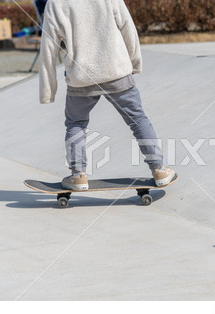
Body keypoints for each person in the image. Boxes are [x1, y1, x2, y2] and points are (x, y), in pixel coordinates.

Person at [39, 0, 175, 190]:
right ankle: (159, 169)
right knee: (137, 119)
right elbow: (128, 27)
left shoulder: (55, 3)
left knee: (75, 124)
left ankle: (78, 176)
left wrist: (47, 90)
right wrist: (134, 63)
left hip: (81, 77)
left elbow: (48, 46)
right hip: (116, 71)